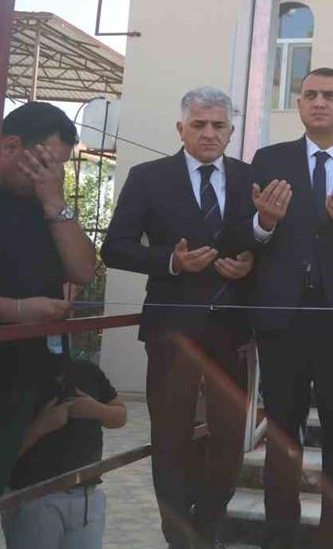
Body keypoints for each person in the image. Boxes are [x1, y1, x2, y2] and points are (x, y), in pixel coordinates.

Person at [101, 86, 257, 549]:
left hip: (232, 331)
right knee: (170, 440)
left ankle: (208, 525)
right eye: (199, 125)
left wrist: (251, 265)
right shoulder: (149, 177)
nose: (209, 133)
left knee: (229, 440)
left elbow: (267, 243)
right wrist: (171, 260)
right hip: (171, 330)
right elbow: (114, 248)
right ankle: (178, 537)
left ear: (231, 130)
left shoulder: (252, 178)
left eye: (218, 125)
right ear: (181, 128)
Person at [248, 67, 333, 549]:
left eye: (330, 95)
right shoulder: (268, 160)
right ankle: (279, 535)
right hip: (282, 319)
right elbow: (250, 238)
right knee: (282, 435)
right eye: (310, 95)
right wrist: (264, 222)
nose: (319, 102)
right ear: (300, 105)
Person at [0, 101, 96, 549]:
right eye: (48, 162)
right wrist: (21, 311)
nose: (53, 173)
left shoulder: (39, 201)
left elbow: (82, 271)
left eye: (59, 166)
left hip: (18, 378)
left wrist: (55, 201)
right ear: (10, 145)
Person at [1, 355, 127, 549]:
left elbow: (120, 415)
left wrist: (97, 410)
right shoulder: (16, 376)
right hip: (34, 498)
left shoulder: (87, 371)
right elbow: (0, 455)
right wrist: (41, 427)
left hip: (85, 496)